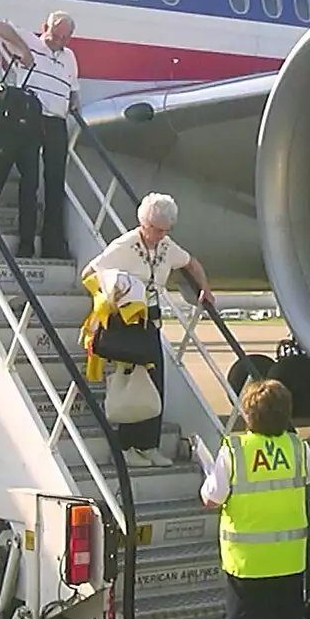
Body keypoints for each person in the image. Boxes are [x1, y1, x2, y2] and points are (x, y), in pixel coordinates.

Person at [200, 377, 310, 619]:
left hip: (247, 562)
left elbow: (212, 497)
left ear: (248, 415)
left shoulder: (234, 451)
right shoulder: (298, 448)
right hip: (288, 557)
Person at [80, 192, 215, 467]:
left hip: (151, 322)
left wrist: (206, 289)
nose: (159, 236)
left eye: (165, 230)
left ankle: (148, 446)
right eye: (155, 230)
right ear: (143, 223)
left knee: (155, 383)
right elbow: (88, 273)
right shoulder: (125, 245)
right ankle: (128, 447)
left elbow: (191, 262)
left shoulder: (166, 246)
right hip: (127, 321)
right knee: (132, 384)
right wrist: (115, 291)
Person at [0, 11, 81, 258]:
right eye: (55, 35)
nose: (58, 41)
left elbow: (73, 86)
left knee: (55, 183)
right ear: (44, 28)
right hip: (30, 119)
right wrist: (23, 50)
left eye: (64, 38)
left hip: (57, 123)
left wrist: (74, 100)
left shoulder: (69, 56)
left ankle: (52, 244)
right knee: (30, 182)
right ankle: (26, 242)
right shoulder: (30, 40)